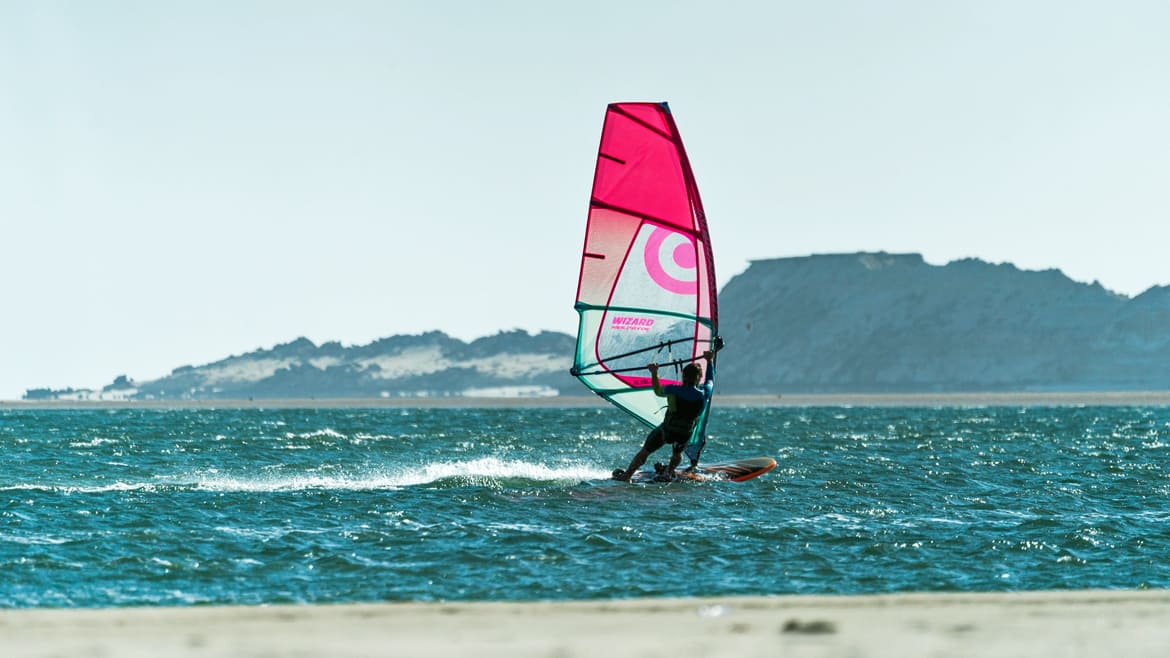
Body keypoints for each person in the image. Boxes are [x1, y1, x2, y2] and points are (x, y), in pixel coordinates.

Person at [612, 350, 715, 482]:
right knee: (677, 454)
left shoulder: (673, 389)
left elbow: (657, 390)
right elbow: (710, 380)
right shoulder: (705, 393)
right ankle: (667, 473)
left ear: (683, 376)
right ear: (699, 378)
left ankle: (627, 475)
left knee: (645, 451)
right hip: (684, 433)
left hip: (666, 430)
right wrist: (710, 360)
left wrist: (654, 373)